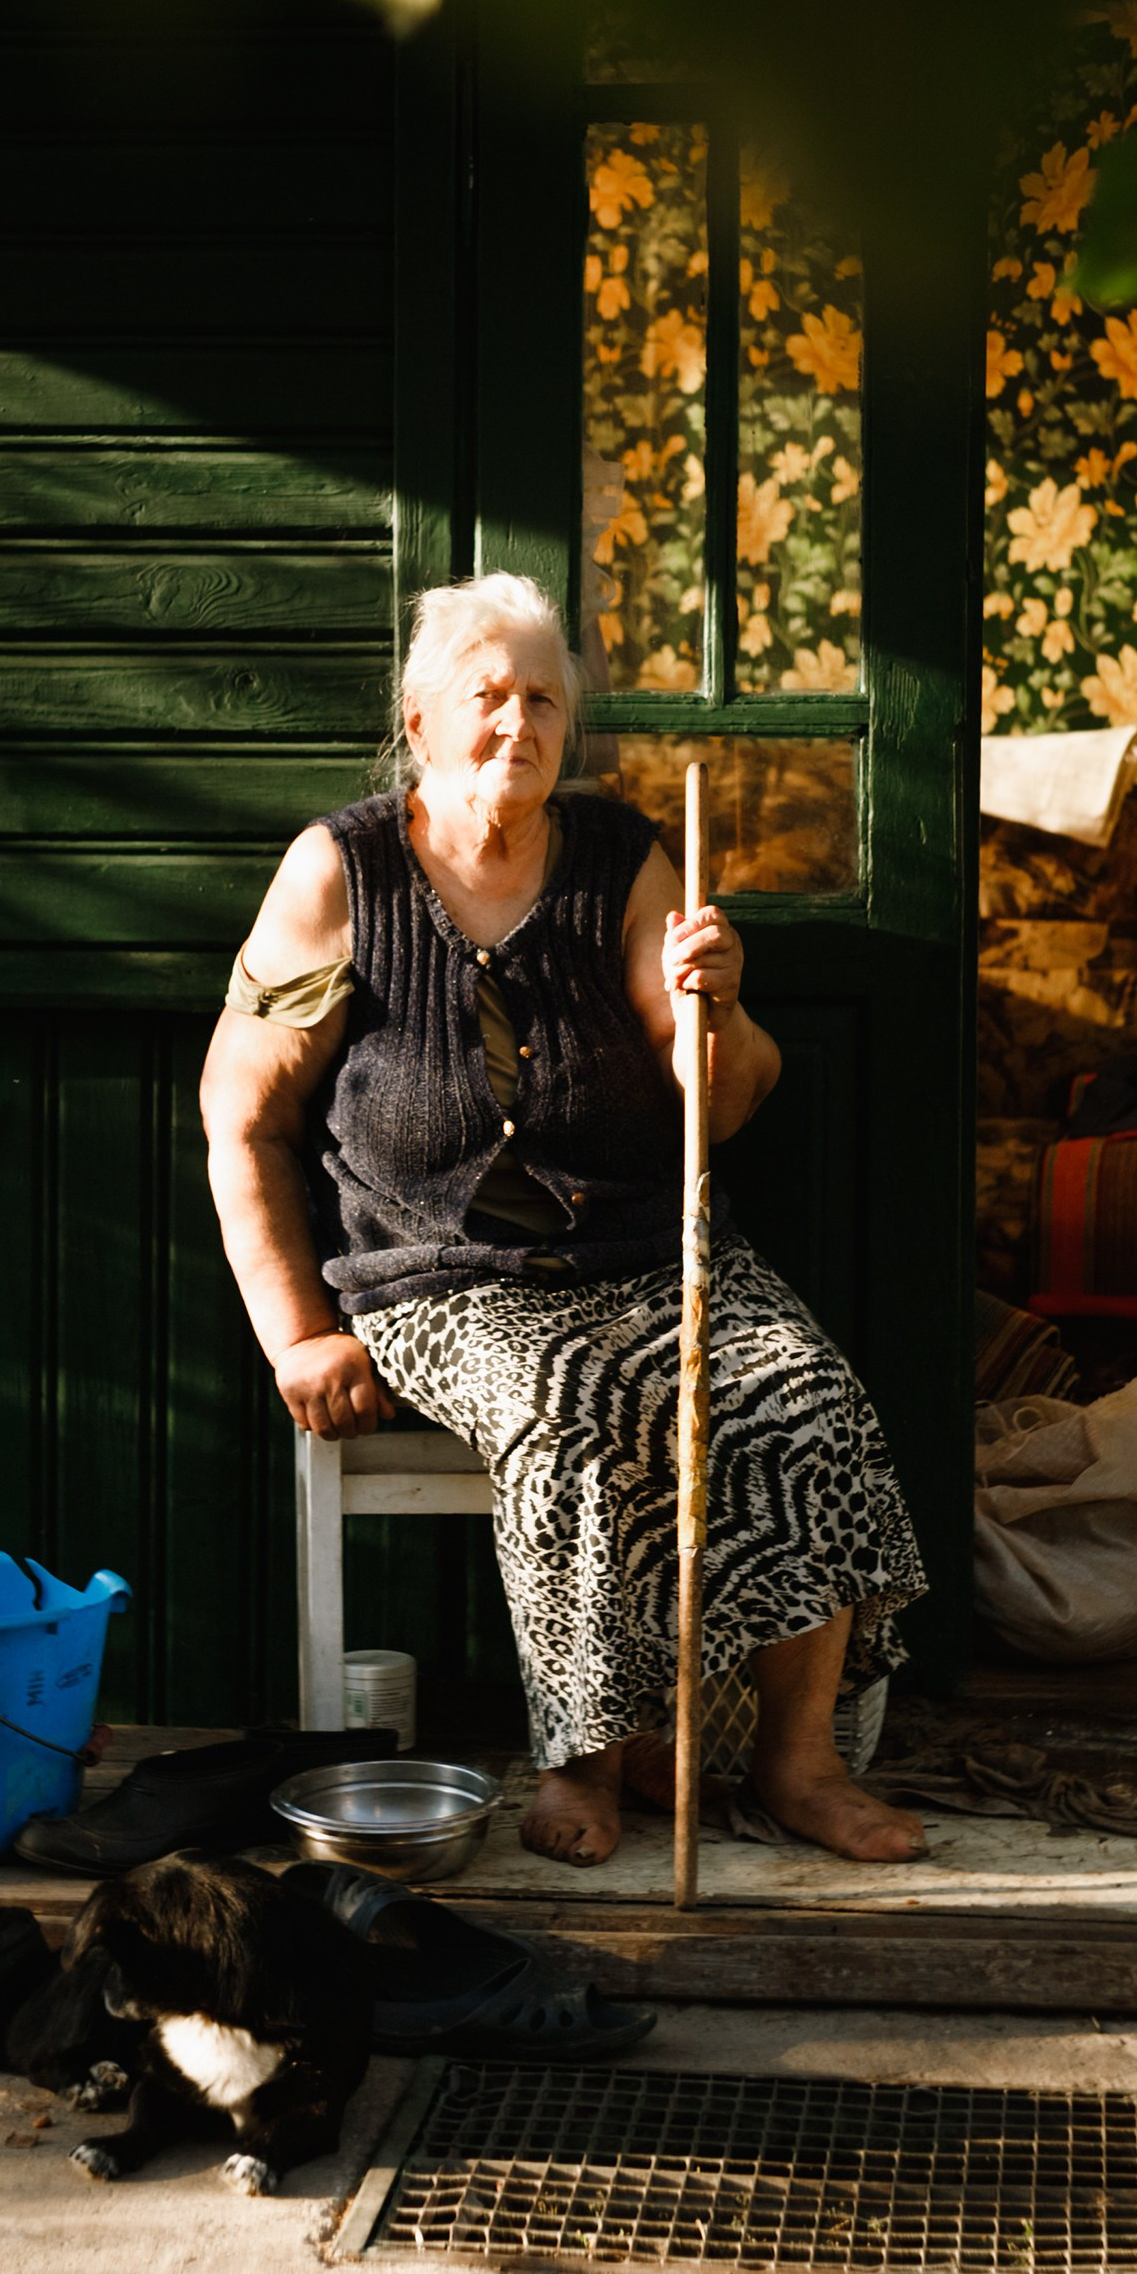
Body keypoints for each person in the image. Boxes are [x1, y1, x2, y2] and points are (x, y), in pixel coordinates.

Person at [199, 571, 928, 1867]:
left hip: (643, 1255)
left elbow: (728, 1102)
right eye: (486, 697)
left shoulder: (619, 861)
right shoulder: (341, 874)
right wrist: (294, 1334)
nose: (516, 723)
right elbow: (241, 1113)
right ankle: (584, 1760)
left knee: (804, 1395)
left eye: (540, 698)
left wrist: (723, 1009)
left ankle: (797, 1763)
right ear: (420, 722)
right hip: (439, 1282)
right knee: (568, 1403)